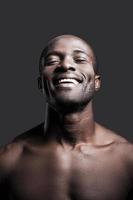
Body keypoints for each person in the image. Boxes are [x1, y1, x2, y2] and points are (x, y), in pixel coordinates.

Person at [0, 34, 133, 200]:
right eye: (53, 61)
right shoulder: (8, 161)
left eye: (80, 59)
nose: (66, 65)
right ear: (41, 83)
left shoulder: (128, 160)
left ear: (96, 82)